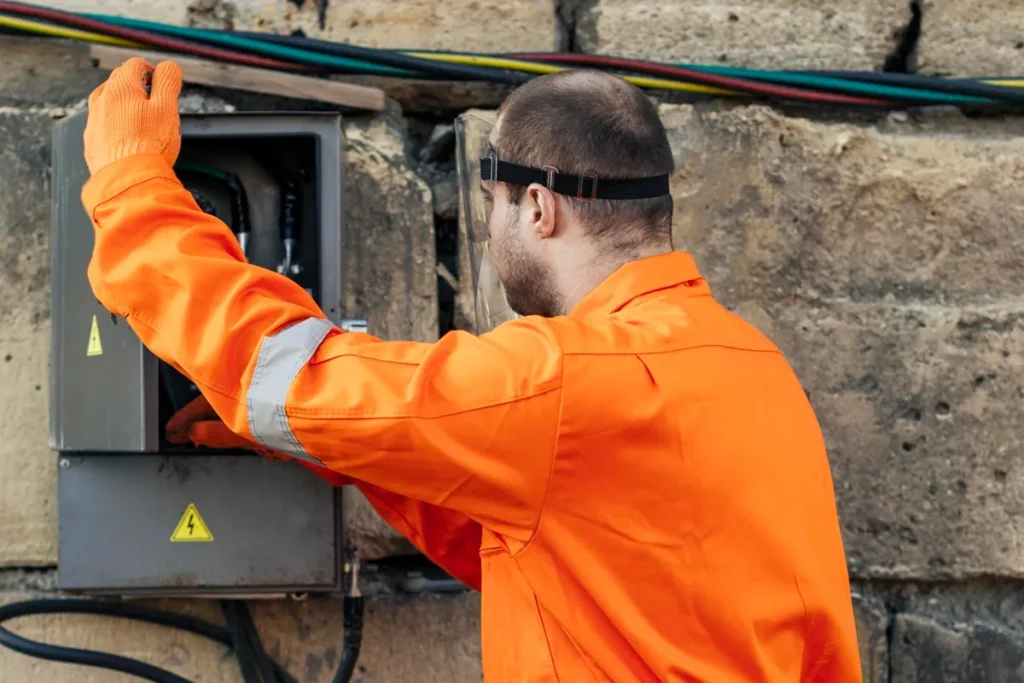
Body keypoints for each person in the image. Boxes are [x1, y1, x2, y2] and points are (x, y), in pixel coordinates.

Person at [82, 57, 862, 682]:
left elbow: (295, 379)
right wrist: (343, 449)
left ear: (539, 209)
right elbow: (560, 547)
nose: (488, 236)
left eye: (491, 207)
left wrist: (133, 192)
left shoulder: (565, 378)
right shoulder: (754, 368)